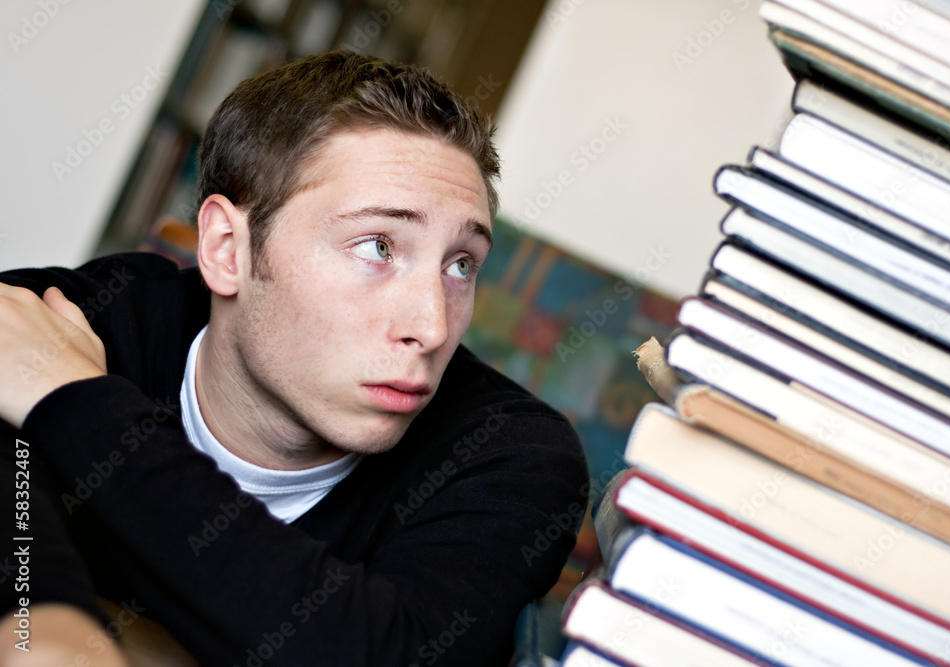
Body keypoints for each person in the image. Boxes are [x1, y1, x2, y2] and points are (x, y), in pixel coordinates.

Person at [0, 50, 589, 665]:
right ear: (229, 249)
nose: (432, 326)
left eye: (460, 264)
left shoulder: (513, 456)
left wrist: (73, 402)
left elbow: (384, 655)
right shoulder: (81, 317)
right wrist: (41, 621)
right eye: (377, 246)